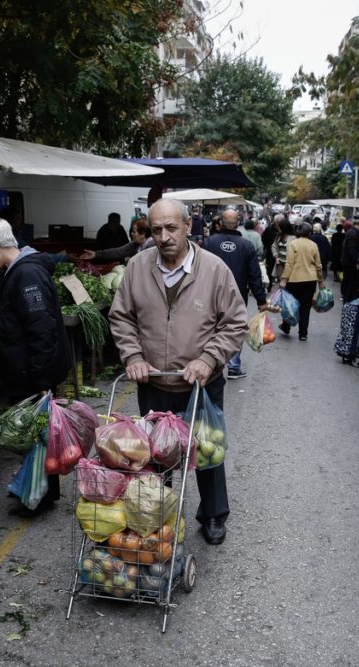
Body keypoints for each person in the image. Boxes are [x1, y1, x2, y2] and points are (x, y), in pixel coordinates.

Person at [108, 198, 247, 545]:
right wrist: (133, 355)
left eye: (171, 228)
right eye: (156, 230)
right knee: (156, 454)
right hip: (154, 380)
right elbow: (121, 317)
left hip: (201, 383)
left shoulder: (214, 270)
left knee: (206, 451)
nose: (164, 236)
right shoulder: (138, 267)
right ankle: (160, 515)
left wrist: (210, 358)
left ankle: (214, 513)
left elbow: (234, 322)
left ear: (188, 226)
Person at [0, 218, 69, 514]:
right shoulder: (18, 271)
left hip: (31, 375)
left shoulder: (27, 274)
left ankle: (38, 500)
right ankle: (35, 493)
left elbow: (41, 328)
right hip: (27, 373)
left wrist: (40, 378)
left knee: (35, 439)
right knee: (35, 439)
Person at [204, 208, 269, 378]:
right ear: (238, 223)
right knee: (235, 328)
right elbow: (254, 275)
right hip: (237, 295)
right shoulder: (246, 246)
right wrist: (261, 300)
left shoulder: (209, 242)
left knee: (212, 327)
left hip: (210, 294)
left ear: (220, 223)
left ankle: (210, 362)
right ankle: (233, 366)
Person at [278, 222, 324, 341]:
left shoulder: (293, 244)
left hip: (294, 279)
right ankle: (303, 333)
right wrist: (320, 281)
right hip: (310, 280)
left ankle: (286, 326)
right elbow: (318, 265)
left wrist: (284, 279)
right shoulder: (314, 245)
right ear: (310, 233)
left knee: (289, 304)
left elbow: (289, 263)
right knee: (305, 307)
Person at [79, 218, 153, 263]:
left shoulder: (152, 248)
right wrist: (96, 254)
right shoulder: (135, 244)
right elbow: (118, 251)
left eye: (134, 232)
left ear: (143, 234)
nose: (131, 234)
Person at [340, 217, 359, 302]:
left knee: (347, 280)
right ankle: (347, 299)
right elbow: (352, 249)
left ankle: (346, 297)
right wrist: (357, 261)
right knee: (349, 282)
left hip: (347, 261)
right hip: (350, 263)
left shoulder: (351, 232)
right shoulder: (354, 234)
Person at [272, 220, 294, 285]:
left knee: (289, 281)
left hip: (290, 264)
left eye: (280, 227)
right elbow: (274, 246)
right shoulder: (278, 237)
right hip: (280, 263)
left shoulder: (293, 238)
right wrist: (276, 256)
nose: (278, 228)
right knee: (281, 281)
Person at [262, 214, 281, 286]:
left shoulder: (283, 229)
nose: (278, 224)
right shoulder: (269, 229)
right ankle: (270, 282)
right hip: (270, 252)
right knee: (270, 268)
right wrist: (267, 247)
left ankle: (278, 280)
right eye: (277, 222)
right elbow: (263, 238)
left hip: (281, 252)